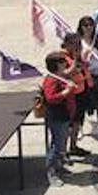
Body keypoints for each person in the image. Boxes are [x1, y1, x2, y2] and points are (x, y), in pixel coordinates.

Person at [41, 53, 80, 186]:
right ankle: (51, 172)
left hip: (65, 115)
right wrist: (66, 91)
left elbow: (72, 70)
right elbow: (50, 97)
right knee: (57, 146)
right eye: (63, 62)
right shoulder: (52, 79)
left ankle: (58, 166)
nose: (65, 64)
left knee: (61, 144)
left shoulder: (61, 76)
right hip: (57, 116)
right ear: (57, 65)